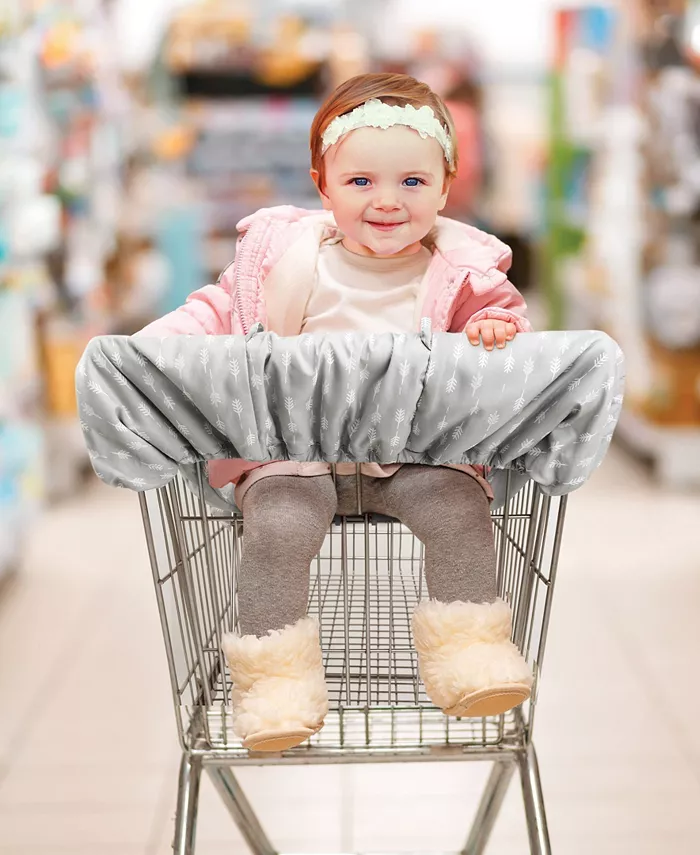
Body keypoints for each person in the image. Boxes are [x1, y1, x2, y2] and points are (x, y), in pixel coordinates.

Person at [138, 73, 534, 752]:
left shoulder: (461, 271)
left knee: (457, 506)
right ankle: (275, 684)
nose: (387, 201)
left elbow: (500, 324)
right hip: (295, 447)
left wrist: (496, 330)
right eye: (360, 183)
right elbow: (223, 307)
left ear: (446, 185)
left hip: (412, 451)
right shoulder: (285, 259)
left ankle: (469, 652)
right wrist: (166, 342)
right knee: (281, 525)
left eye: (412, 182)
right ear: (323, 185)